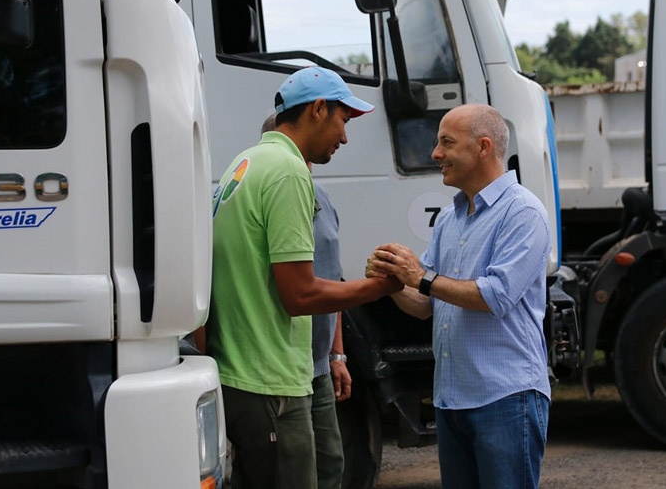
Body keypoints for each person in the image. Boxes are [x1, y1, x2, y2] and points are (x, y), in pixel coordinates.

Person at [207, 67, 401, 489]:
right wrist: (380, 287)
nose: (345, 137)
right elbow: (299, 294)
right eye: (343, 120)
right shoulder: (289, 171)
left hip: (242, 373)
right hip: (270, 379)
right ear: (318, 110)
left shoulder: (244, 163)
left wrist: (335, 355)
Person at [366, 104, 552, 489]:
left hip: (506, 397)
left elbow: (496, 296)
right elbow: (425, 305)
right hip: (453, 400)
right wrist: (394, 281)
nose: (435, 154)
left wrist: (420, 276)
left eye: (446, 143)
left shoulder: (523, 212)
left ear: (483, 147)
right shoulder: (450, 219)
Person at [261, 113, 351, 489]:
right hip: (283, 367)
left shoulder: (322, 198)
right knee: (293, 473)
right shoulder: (273, 192)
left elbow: (333, 279)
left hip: (317, 365)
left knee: (331, 463)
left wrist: (337, 355)